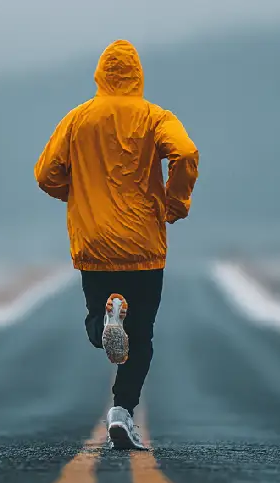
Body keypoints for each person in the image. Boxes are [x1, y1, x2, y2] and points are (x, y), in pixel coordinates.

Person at [34, 39, 199, 449]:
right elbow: (186, 153)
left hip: (95, 248)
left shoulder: (77, 119)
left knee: (98, 321)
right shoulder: (155, 117)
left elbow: (45, 174)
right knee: (141, 338)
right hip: (143, 246)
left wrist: (79, 196)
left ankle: (109, 315)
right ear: (138, 75)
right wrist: (174, 205)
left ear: (100, 75)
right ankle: (122, 413)